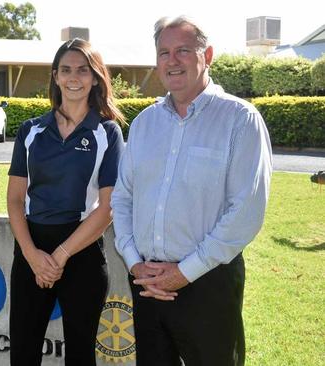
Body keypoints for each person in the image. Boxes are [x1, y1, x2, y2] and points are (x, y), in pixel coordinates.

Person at [111, 16, 272, 366]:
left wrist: (183, 273)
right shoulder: (144, 124)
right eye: (164, 52)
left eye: (183, 50)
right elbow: (123, 198)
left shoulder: (240, 119)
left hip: (207, 284)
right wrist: (135, 263)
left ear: (207, 55)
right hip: (147, 283)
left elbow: (246, 212)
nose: (172, 60)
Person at [7, 38, 125, 366]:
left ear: (95, 78)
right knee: (23, 354)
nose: (74, 77)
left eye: (83, 70)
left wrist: (59, 256)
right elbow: (15, 200)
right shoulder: (31, 130)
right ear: (56, 77)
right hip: (32, 251)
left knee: (80, 356)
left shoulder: (107, 132)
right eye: (66, 70)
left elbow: (108, 208)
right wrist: (33, 256)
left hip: (81, 250)